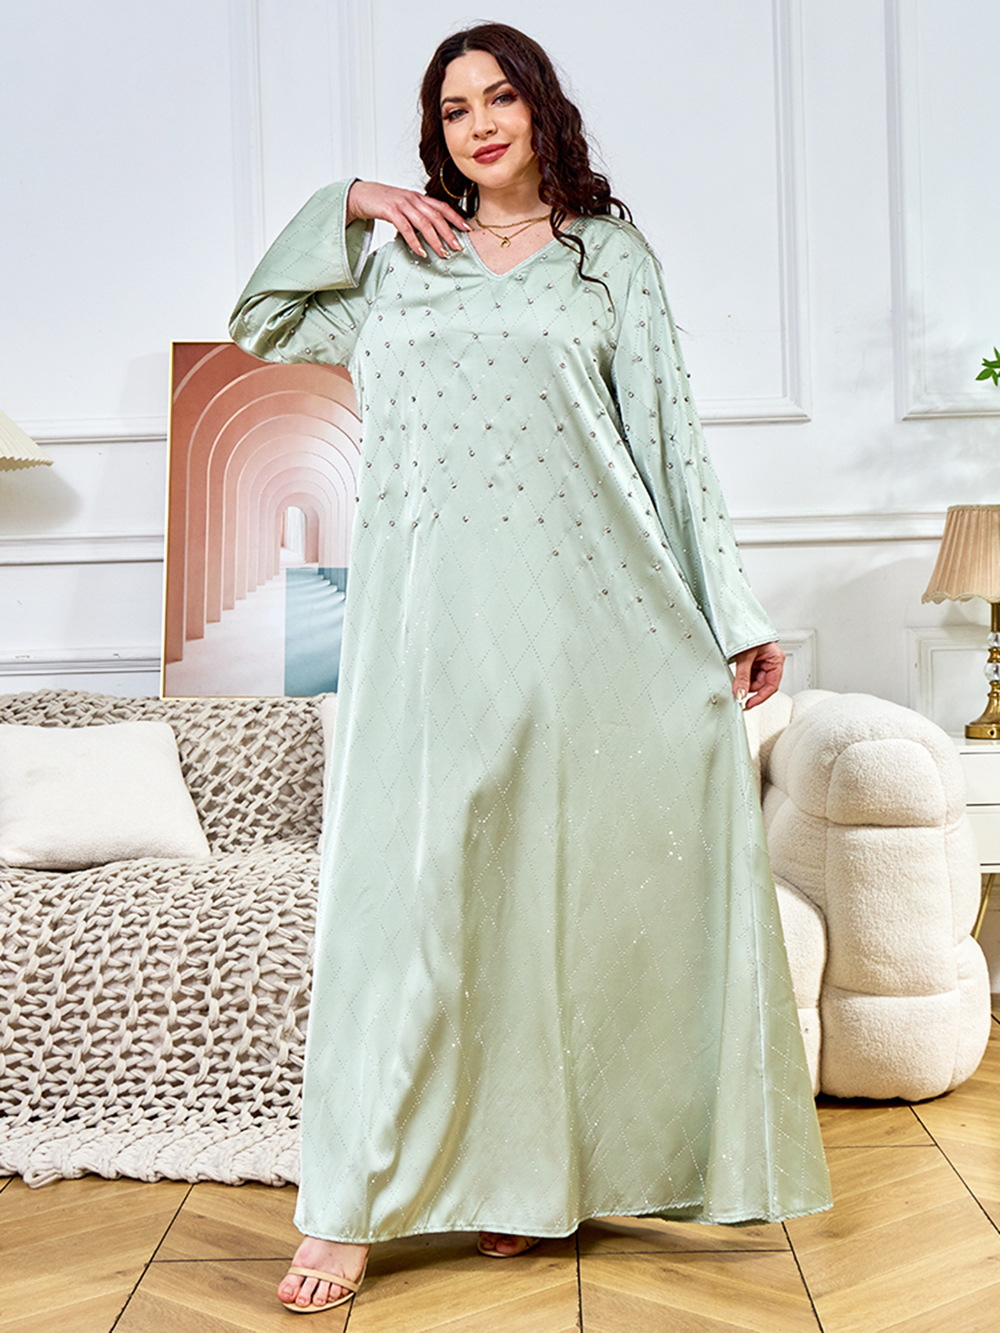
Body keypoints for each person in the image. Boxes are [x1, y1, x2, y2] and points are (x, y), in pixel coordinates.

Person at [229, 22, 832, 1314]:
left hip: (592, 622)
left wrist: (729, 613)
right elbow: (262, 318)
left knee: (556, 902)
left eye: (500, 97)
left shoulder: (606, 260)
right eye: (454, 110)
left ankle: (526, 1176)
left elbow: (669, 441)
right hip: (426, 633)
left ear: (540, 108)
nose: (480, 124)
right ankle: (346, 1208)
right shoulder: (399, 262)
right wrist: (348, 200)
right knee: (412, 908)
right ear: (433, 136)